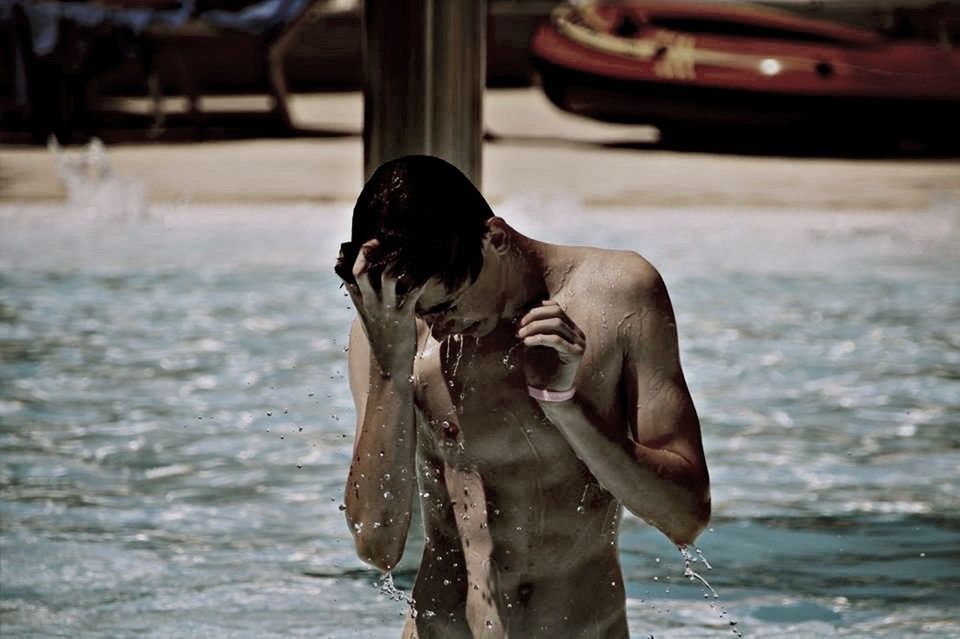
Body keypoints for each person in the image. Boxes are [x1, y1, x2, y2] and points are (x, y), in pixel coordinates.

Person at [338, 155, 710, 639]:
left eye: (447, 304)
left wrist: (567, 407)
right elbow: (377, 545)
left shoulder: (616, 298)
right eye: (420, 311)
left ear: (494, 237)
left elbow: (686, 517)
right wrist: (391, 367)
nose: (437, 325)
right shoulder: (390, 331)